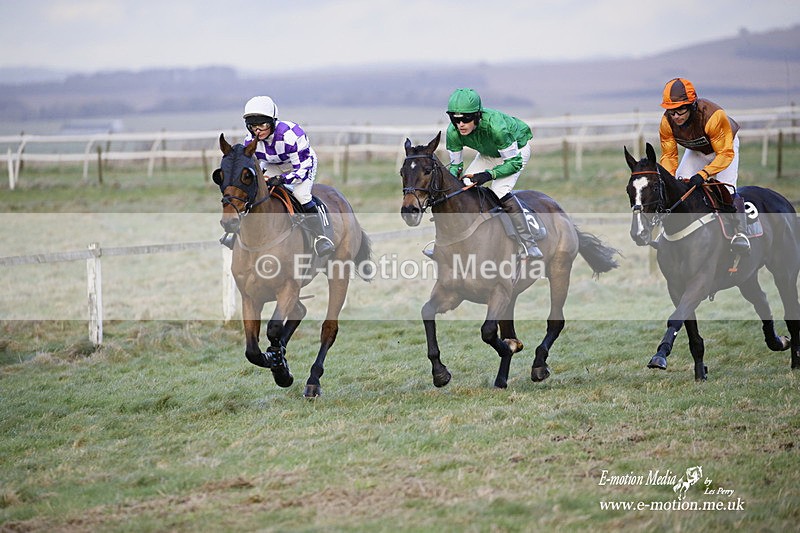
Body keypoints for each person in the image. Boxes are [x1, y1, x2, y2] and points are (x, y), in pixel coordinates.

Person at [220, 95, 334, 256]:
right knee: (254, 195)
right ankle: (237, 233)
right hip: (272, 164)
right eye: (253, 126)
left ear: (273, 122)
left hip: (301, 164)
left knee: (301, 195)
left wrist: (282, 180)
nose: (258, 131)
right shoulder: (250, 141)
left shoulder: (291, 135)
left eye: (263, 125)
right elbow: (253, 170)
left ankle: (320, 238)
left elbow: (302, 169)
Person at [444, 88, 543, 260]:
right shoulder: (453, 132)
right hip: (488, 154)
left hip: (516, 153)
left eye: (466, 119)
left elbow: (513, 163)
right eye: (455, 118)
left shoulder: (496, 127)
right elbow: (455, 167)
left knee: (499, 190)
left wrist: (487, 175)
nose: (460, 124)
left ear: (477, 116)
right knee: (463, 188)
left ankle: (529, 243)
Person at [658, 77, 750, 254]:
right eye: (671, 111)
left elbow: (725, 154)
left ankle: (740, 233)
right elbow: (669, 155)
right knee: (680, 184)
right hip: (697, 149)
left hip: (724, 149)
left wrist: (704, 174)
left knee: (725, 189)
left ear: (692, 105)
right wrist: (668, 179)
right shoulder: (666, 122)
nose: (675, 116)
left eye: (680, 109)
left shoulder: (713, 116)